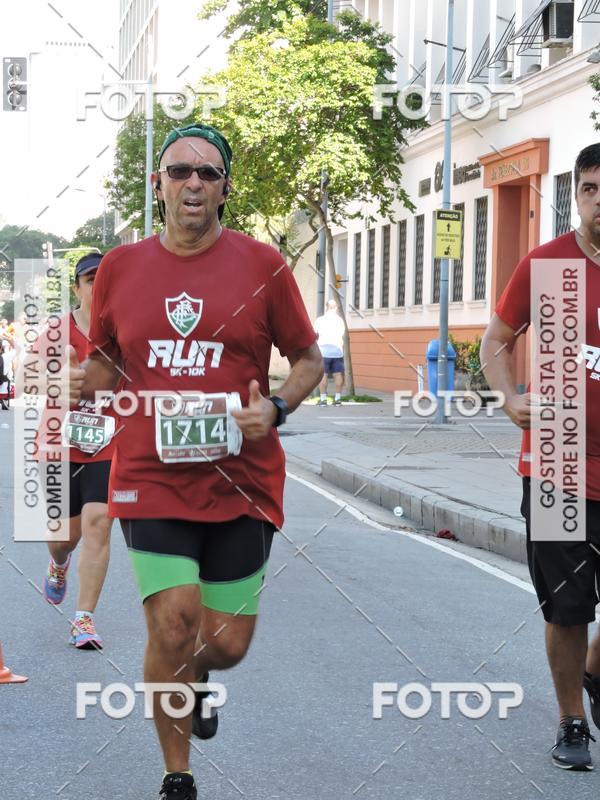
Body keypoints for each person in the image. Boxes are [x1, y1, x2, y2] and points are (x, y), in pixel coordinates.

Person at [68, 123, 323, 800]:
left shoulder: (263, 264)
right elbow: (107, 361)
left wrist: (276, 409)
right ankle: (176, 774)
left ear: (224, 189)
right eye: (179, 171)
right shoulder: (120, 268)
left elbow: (307, 360)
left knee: (226, 643)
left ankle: (197, 674)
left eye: (207, 174)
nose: (192, 184)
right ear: (158, 185)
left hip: (242, 479)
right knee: (173, 621)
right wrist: (78, 379)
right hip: (150, 475)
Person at [481, 143, 600, 771]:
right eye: (590, 188)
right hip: (559, 460)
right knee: (568, 604)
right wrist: (509, 398)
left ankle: (595, 672)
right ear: (577, 194)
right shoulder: (548, 266)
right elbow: (495, 341)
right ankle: (572, 721)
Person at [28, 253, 116, 649]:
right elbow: (26, 378)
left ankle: (84, 619)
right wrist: (54, 383)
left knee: (99, 522)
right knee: (64, 536)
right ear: (76, 287)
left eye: (105, 278)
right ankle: (59, 563)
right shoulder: (56, 331)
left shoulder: (124, 331)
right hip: (58, 443)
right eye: (90, 278)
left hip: (107, 442)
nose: (98, 285)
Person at [314, 298, 345, 406]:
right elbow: (342, 334)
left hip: (323, 352)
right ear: (336, 308)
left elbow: (315, 335)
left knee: (323, 375)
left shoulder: (320, 320)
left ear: (326, 307)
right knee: (338, 374)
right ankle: (338, 398)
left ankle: (323, 399)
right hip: (337, 351)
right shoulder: (340, 321)